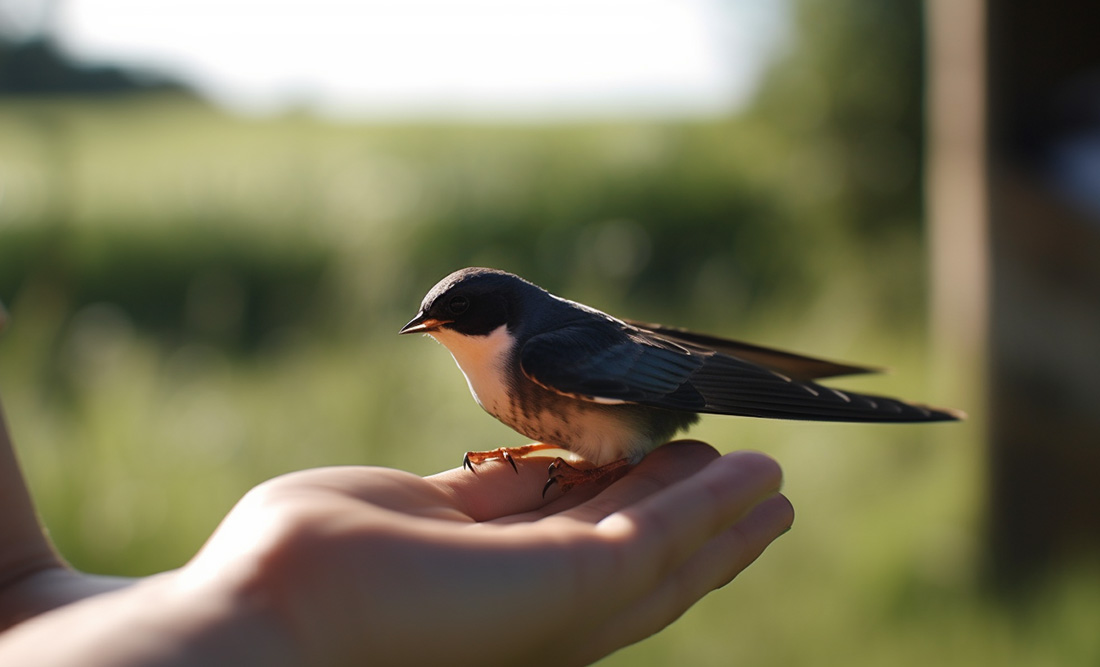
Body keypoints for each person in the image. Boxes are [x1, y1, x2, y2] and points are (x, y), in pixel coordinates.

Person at [0, 329, 793, 666]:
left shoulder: (544, 350)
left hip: (637, 416)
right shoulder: (510, 362)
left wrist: (261, 616)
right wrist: (275, 615)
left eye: (454, 319)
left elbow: (17, 583)